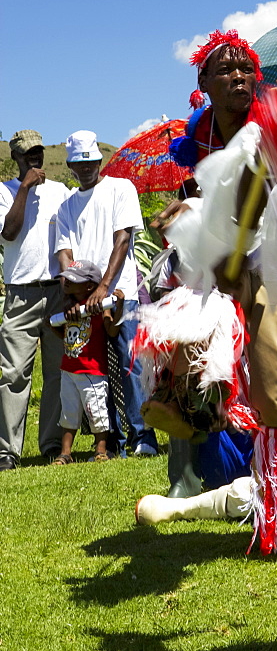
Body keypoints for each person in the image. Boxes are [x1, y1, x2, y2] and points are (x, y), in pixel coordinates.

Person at [157, 29, 277, 558]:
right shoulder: (201, 137)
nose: (237, 76)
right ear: (203, 82)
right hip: (228, 258)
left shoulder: (273, 124)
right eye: (223, 69)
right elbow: (210, 204)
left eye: (243, 68)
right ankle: (183, 413)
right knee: (175, 323)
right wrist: (187, 218)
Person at [55, 131, 158, 456]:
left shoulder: (120, 188)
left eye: (91, 162)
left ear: (99, 160)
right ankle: (109, 441)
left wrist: (103, 288)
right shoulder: (67, 206)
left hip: (120, 293)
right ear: (71, 165)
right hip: (86, 302)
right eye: (79, 163)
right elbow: (64, 253)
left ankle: (142, 439)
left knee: (131, 368)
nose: (86, 168)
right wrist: (77, 294)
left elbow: (123, 240)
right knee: (96, 371)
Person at [0, 130, 70, 469]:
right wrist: (25, 188)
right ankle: (7, 452)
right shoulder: (4, 192)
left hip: (57, 291)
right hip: (21, 294)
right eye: (28, 153)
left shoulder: (60, 192)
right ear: (15, 157)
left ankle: (53, 445)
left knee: (57, 371)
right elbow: (8, 232)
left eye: (38, 152)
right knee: (13, 374)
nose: (35, 158)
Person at [50, 261, 124, 464]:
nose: (66, 283)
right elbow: (59, 330)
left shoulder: (101, 307)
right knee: (69, 412)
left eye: (73, 281)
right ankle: (65, 453)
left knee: (97, 411)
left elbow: (111, 331)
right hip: (69, 369)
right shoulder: (69, 307)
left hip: (92, 371)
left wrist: (119, 307)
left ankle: (101, 450)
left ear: (89, 286)